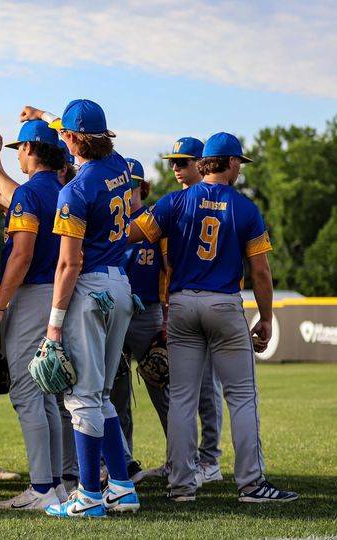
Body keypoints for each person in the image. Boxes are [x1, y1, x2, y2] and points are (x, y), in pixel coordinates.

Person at [130, 132, 298, 503]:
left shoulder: (174, 201)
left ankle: (181, 486)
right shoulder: (244, 207)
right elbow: (261, 272)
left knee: (183, 400)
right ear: (232, 162)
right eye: (240, 163)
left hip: (182, 304)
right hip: (223, 303)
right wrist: (266, 319)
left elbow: (133, 235)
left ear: (204, 162)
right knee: (240, 397)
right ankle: (252, 485)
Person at [22, 99, 139, 518]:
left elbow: (68, 263)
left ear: (71, 139)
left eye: (65, 134)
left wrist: (54, 324)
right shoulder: (122, 165)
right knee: (101, 394)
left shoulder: (75, 189)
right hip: (121, 286)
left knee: (82, 398)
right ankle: (122, 487)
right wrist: (44, 117)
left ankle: (89, 495)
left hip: (89, 289)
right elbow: (83, 131)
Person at [0, 120, 66, 510]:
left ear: (30, 149)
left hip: (32, 295)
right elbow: (1, 190)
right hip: (59, 292)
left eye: (19, 149)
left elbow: (22, 255)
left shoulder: (32, 193)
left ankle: (43, 489)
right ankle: (56, 485)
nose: (17, 154)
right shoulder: (63, 190)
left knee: (28, 393)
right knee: (48, 395)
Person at [143, 137, 224, 487]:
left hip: (204, 301)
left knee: (206, 386)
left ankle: (209, 460)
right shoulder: (175, 203)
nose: (175, 168)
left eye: (183, 162)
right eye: (173, 162)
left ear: (202, 163)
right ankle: (181, 459)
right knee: (182, 387)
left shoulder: (211, 205)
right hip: (177, 304)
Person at [108, 158, 161, 484]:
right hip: (115, 313)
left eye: (133, 183)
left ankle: (182, 462)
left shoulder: (155, 220)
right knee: (115, 395)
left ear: (142, 186)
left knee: (161, 385)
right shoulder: (112, 222)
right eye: (122, 184)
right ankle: (123, 460)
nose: (128, 189)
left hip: (149, 312)